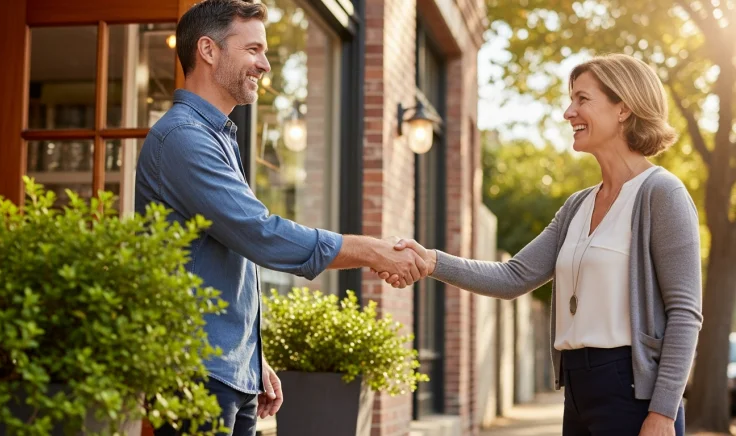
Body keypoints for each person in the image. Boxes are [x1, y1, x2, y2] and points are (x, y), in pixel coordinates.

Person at [134, 1, 428, 435]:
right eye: (253, 49)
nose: (265, 64)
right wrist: (373, 250)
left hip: (227, 373)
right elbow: (261, 235)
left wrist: (254, 359)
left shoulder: (216, 138)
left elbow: (225, 258)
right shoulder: (183, 138)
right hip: (194, 372)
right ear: (208, 50)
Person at [379, 54, 703, 436]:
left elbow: (685, 312)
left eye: (582, 99)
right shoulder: (577, 206)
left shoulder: (662, 194)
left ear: (623, 109)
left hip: (632, 392)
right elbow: (513, 277)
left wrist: (663, 411)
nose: (569, 112)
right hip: (578, 389)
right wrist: (431, 260)